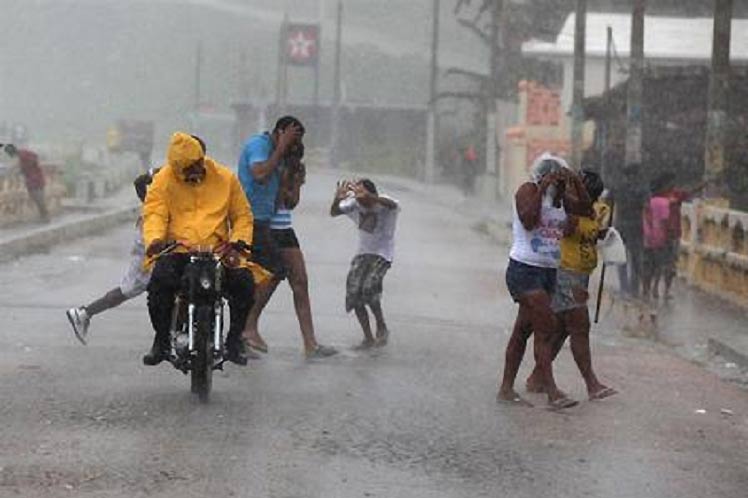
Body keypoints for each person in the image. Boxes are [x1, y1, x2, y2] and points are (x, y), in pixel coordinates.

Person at [141, 132, 267, 366]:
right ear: (177, 168)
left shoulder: (226, 178)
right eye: (189, 167)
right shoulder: (162, 180)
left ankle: (234, 340)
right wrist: (155, 240)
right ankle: (161, 340)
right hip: (178, 250)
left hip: (219, 251)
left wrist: (239, 242)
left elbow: (242, 215)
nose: (196, 169)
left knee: (244, 285)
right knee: (158, 286)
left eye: (198, 163)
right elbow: (154, 213)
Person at [237, 116, 337, 359]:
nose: (294, 147)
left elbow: (288, 202)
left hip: (282, 226)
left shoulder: (284, 159)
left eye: (297, 143)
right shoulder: (263, 149)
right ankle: (247, 328)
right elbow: (260, 174)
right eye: (292, 139)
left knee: (300, 282)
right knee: (270, 273)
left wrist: (294, 180)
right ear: (280, 133)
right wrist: (281, 155)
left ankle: (310, 343)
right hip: (260, 224)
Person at [497, 153, 589, 409]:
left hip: (549, 272)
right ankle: (552, 392)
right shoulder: (527, 190)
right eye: (552, 176)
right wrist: (542, 188)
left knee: (522, 331)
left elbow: (586, 210)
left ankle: (506, 389)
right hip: (524, 270)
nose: (556, 182)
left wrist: (575, 183)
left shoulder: (562, 199)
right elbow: (528, 220)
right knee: (545, 327)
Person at [524, 170, 618, 401]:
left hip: (582, 273)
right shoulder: (568, 208)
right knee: (579, 326)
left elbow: (592, 233)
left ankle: (537, 378)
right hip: (567, 271)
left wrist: (605, 235)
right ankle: (591, 384)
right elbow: (562, 231)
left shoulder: (596, 211)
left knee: (562, 329)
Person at [65, 169, 159, 344]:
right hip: (152, 233)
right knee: (134, 286)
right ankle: (84, 313)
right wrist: (151, 205)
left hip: (175, 234)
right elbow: (139, 182)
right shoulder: (167, 172)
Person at [330, 178, 400, 348]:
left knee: (369, 288)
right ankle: (368, 337)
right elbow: (334, 212)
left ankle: (381, 325)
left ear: (371, 193)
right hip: (363, 254)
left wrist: (372, 198)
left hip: (382, 254)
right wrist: (338, 198)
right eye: (356, 193)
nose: (358, 198)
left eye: (362, 193)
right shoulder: (354, 203)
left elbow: (393, 204)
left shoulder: (383, 203)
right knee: (354, 293)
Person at [612, 163, 648, 297]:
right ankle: (634, 288)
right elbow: (646, 205)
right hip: (636, 226)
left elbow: (608, 199)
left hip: (621, 225)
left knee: (622, 258)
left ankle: (624, 287)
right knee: (636, 258)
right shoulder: (642, 189)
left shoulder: (619, 188)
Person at [4, 143, 49, 223]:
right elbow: (23, 166)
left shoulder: (22, 155)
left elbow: (18, 165)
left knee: (38, 198)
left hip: (35, 179)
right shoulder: (23, 154)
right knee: (37, 198)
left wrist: (9, 171)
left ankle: (45, 216)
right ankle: (43, 216)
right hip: (35, 179)